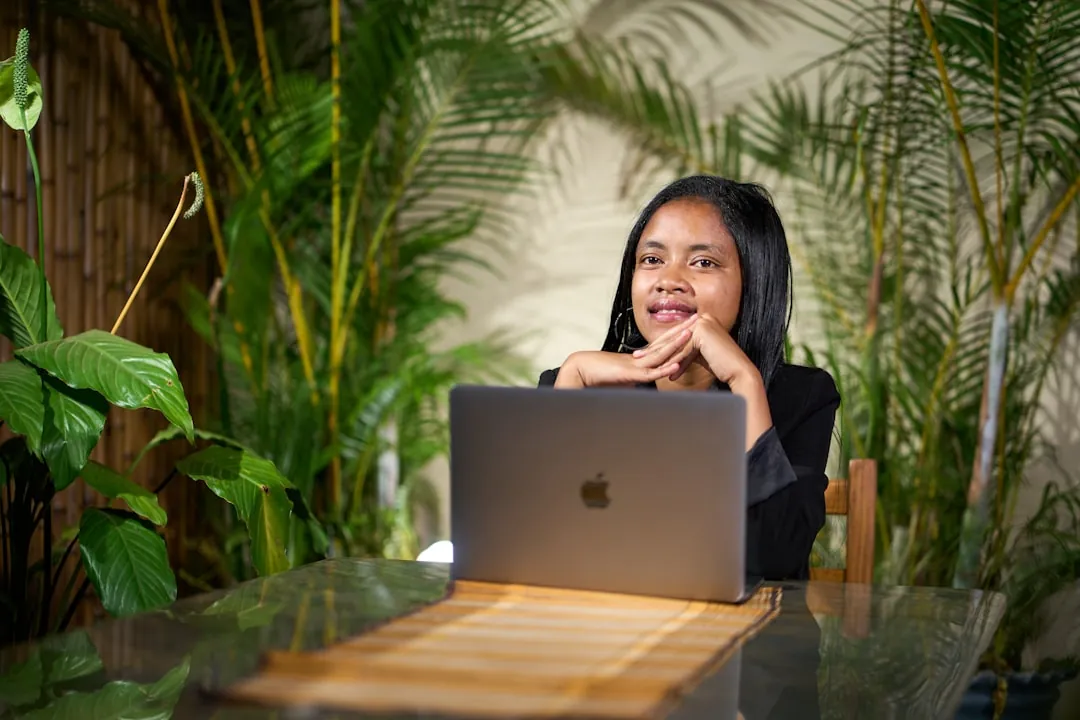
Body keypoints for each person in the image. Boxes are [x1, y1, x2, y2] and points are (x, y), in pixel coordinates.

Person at [538, 174, 840, 582]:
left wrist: (744, 381)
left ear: (753, 284)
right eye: (652, 259)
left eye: (703, 262)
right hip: (608, 634)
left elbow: (776, 558)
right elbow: (543, 551)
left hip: (747, 642)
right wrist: (572, 380)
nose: (668, 280)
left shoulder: (801, 397)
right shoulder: (576, 385)